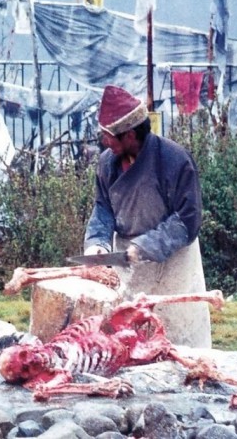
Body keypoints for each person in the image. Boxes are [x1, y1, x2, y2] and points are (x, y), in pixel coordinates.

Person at [84, 85, 211, 349]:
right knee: (129, 344)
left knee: (180, 344)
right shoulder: (108, 163)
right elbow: (103, 207)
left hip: (176, 264)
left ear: (129, 135)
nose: (105, 142)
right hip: (128, 263)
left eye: (109, 136)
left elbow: (188, 219)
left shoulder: (175, 160)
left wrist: (146, 246)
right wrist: (98, 242)